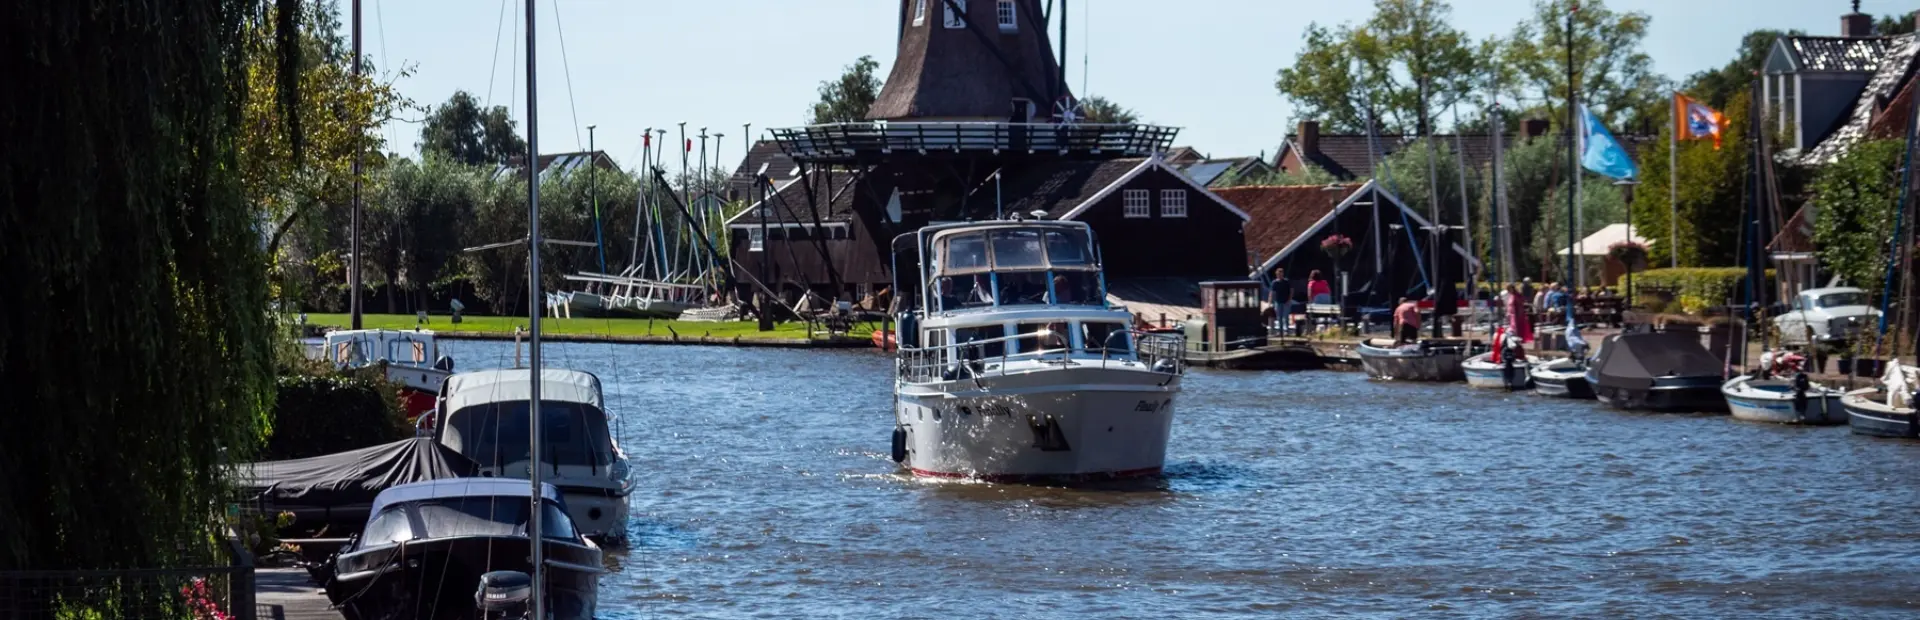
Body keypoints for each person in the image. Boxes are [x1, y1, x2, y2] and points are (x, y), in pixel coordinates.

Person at [1270, 267, 1292, 334]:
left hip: (1286, 301)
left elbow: (1291, 291)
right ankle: (1280, 331)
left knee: (1286, 317)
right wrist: (1270, 301)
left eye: (1281, 274)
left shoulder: (1287, 282)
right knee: (1279, 317)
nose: (1280, 275)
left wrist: (1289, 300)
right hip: (1278, 301)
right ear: (1276, 274)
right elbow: (1272, 292)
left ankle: (1287, 330)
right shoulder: (1274, 283)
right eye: (1278, 274)